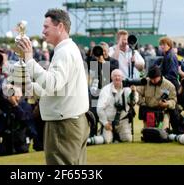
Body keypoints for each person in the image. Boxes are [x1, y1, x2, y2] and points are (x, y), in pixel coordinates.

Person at [16, 8, 90, 165]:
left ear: (60, 27)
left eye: (46, 27)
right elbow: (57, 88)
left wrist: (29, 59)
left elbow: (52, 84)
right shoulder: (68, 49)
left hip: (63, 125)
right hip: (71, 121)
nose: (43, 31)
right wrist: (28, 86)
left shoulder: (64, 52)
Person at [96, 69, 137, 143]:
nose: (117, 78)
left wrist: (133, 92)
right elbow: (99, 108)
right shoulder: (105, 90)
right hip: (109, 121)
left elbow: (134, 102)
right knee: (107, 141)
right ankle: (103, 131)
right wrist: (105, 123)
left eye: (119, 76)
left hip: (122, 120)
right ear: (111, 78)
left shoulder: (128, 89)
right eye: (115, 76)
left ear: (122, 77)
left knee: (128, 139)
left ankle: (117, 136)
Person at [136, 66, 177, 131]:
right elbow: (137, 93)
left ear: (160, 76)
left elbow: (173, 101)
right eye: (151, 78)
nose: (153, 80)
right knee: (148, 134)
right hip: (149, 112)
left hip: (162, 112)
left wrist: (167, 104)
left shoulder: (169, 85)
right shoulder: (145, 82)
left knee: (161, 134)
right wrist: (142, 103)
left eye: (155, 78)